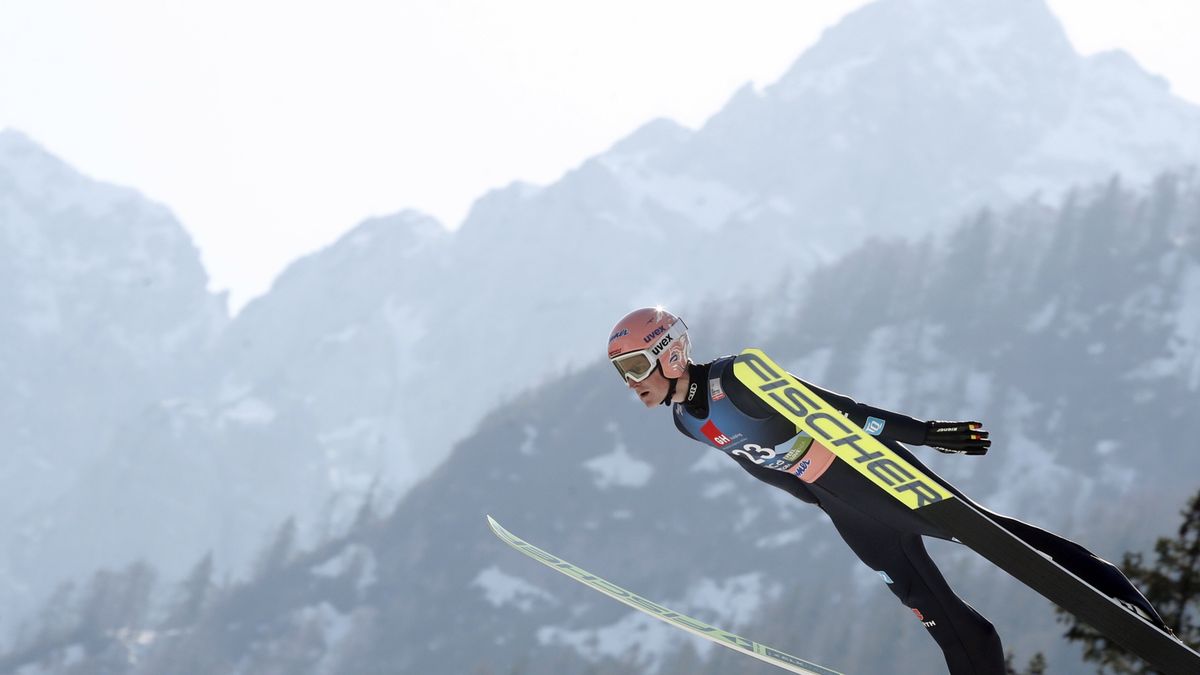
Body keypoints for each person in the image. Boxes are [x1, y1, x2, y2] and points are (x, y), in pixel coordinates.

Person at [607, 306, 1169, 675]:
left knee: (1012, 546)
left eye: (635, 365)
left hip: (880, 480)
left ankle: (1151, 629)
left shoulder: (740, 378)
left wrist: (926, 435)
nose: (633, 383)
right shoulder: (686, 422)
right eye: (622, 372)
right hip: (851, 512)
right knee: (940, 619)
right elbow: (766, 467)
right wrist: (825, 503)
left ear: (671, 352)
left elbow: (841, 415)